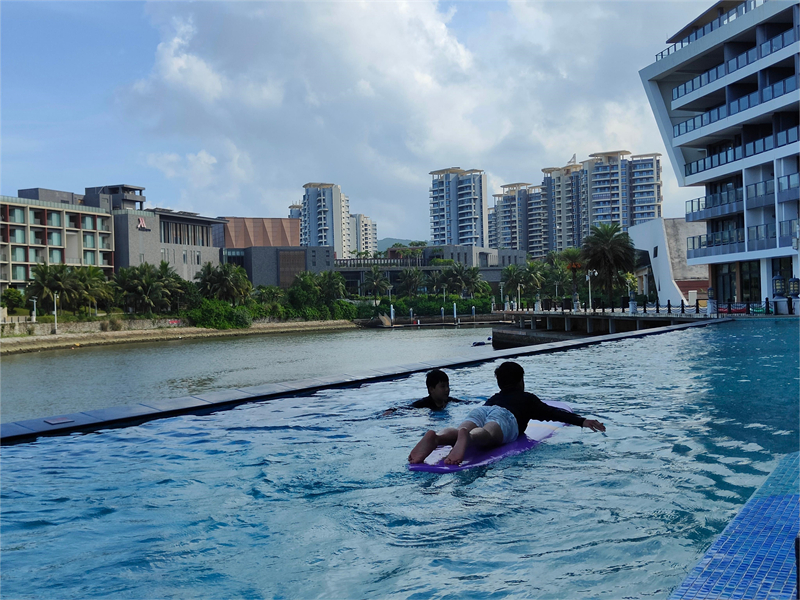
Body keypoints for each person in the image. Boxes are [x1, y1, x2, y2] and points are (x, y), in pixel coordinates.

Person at [408, 361, 606, 465]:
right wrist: (582, 421)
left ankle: (439, 437)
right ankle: (466, 437)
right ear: (520, 381)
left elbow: (484, 414)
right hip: (506, 416)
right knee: (488, 434)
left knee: (466, 426)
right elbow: (553, 413)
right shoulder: (526, 398)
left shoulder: (493, 397)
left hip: (482, 410)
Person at [382, 369, 462, 416]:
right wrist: (392, 411)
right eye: (443, 386)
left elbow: (467, 403)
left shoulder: (449, 400)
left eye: (448, 386)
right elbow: (406, 408)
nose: (447, 389)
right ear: (431, 389)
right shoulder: (424, 404)